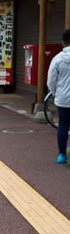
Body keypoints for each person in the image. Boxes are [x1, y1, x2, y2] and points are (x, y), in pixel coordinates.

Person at [47, 28, 70, 164]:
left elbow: (51, 81)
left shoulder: (57, 59)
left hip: (62, 99)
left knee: (63, 126)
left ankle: (62, 154)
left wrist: (56, 93)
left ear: (63, 42)